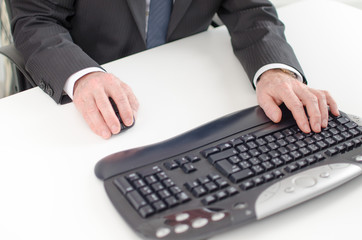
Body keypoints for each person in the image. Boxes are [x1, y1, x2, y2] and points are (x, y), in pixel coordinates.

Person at [11, 0, 339, 139]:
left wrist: (274, 70)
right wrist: (82, 76)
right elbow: (36, 21)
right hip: (92, 94)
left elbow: (251, 9)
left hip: (187, 90)